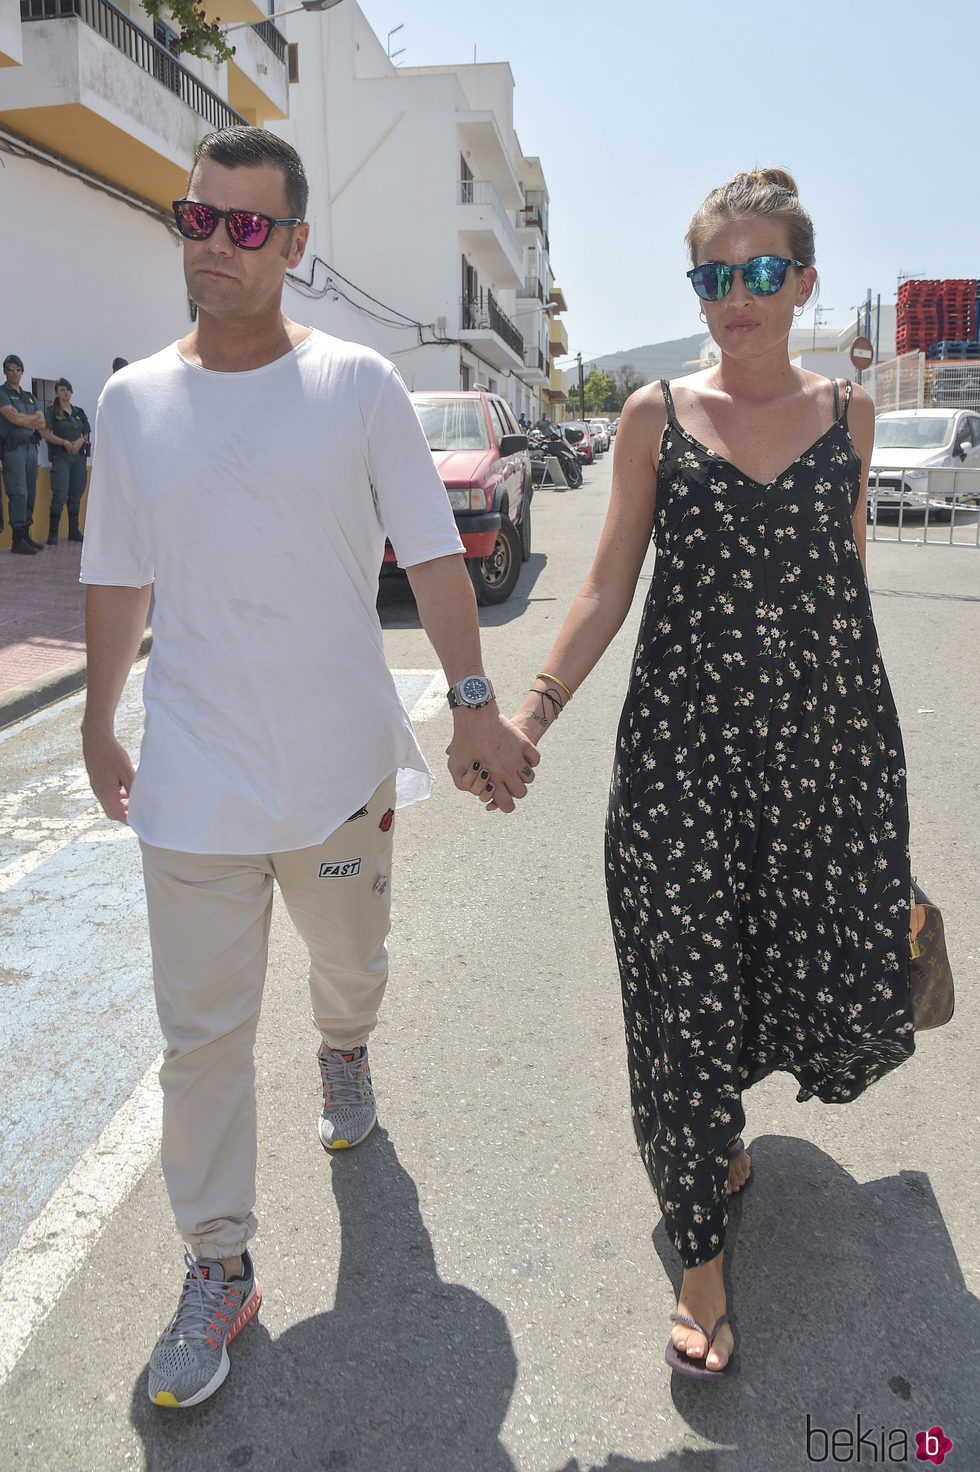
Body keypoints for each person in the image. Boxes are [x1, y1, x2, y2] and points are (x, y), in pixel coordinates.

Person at [80, 125, 540, 1410]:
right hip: (192, 782)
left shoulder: (355, 386)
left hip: (339, 769)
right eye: (196, 217)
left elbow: (434, 553)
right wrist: (96, 718)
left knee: (350, 969)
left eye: (244, 225)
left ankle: (346, 1046)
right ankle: (217, 1262)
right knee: (200, 1039)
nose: (213, 244)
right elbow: (117, 570)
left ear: (290, 245)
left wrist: (472, 705)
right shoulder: (131, 402)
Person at [503, 169, 915, 1379]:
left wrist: (858, 765)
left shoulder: (849, 414)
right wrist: (530, 712)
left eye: (757, 270)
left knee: (792, 964)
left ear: (800, 277)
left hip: (819, 759)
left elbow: (841, 586)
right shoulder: (648, 414)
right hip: (678, 768)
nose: (734, 296)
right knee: (679, 992)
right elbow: (603, 585)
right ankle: (698, 1251)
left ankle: (717, 1135)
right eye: (710, 275)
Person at [0, 353, 46, 555]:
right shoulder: (2, 393)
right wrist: (28, 419)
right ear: (5, 371)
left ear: (22, 372)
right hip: (13, 449)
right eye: (10, 369)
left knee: (30, 493)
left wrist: (21, 418)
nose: (14, 373)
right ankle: (17, 538)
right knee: (18, 492)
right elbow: (14, 419)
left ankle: (26, 534)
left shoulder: (28, 396)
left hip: (30, 448)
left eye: (18, 370)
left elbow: (42, 423)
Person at [43, 377, 91, 543]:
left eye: (68, 390)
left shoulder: (79, 412)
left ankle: (74, 531)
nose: (65, 393)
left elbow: (86, 432)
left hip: (77, 458)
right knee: (60, 493)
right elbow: (46, 433)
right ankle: (53, 533)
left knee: (76, 494)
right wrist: (63, 442)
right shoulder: (51, 412)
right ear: (57, 392)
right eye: (62, 390)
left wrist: (80, 441)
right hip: (61, 457)